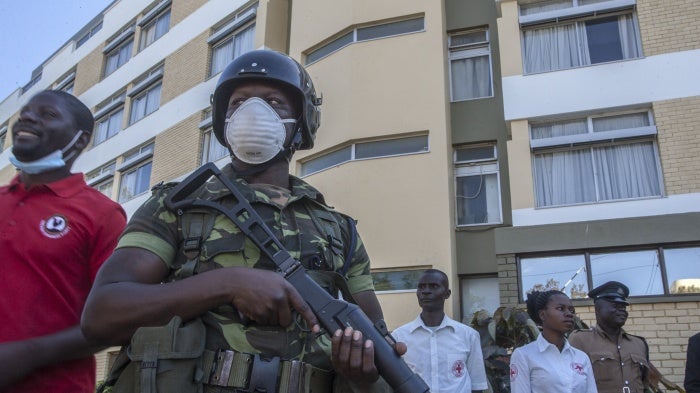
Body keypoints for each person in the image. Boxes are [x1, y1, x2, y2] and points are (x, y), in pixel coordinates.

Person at [81, 49, 397, 393]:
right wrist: (227, 283)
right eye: (238, 102)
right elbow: (102, 316)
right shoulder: (177, 205)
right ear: (223, 120)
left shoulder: (340, 230)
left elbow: (375, 343)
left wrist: (362, 371)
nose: (253, 112)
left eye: (274, 102)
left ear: (302, 121)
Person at [0, 90, 127, 392]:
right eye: (26, 112)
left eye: (47, 114)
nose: (27, 117)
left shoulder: (103, 214)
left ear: (80, 140)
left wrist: (28, 354)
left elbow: (118, 320)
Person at [392, 269, 488, 393]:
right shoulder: (399, 337)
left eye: (434, 286)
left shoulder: (468, 335)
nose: (426, 291)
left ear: (447, 294)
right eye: (421, 287)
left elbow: (477, 386)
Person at [569, 281, 650, 393]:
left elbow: (644, 383)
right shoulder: (580, 340)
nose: (622, 310)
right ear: (597, 309)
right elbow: (571, 383)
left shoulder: (639, 344)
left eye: (623, 306)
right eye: (615, 305)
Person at [509, 290, 597, 393]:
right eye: (560, 308)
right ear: (542, 315)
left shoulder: (581, 357)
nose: (569, 314)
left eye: (571, 310)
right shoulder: (523, 355)